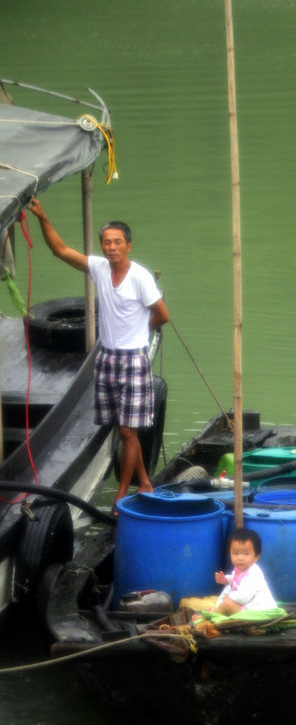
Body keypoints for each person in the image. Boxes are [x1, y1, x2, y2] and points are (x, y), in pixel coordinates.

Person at [28, 198, 170, 509]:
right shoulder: (99, 268)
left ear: (128, 246)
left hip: (133, 358)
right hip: (107, 356)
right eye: (106, 242)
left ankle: (121, 495)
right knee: (121, 428)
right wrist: (41, 215)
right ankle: (144, 482)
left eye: (117, 242)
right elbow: (61, 251)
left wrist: (140, 331)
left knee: (127, 431)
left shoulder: (140, 277)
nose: (111, 247)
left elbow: (162, 314)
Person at [215, 528, 277, 616]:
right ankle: (218, 610)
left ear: (256, 557)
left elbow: (244, 597)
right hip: (247, 607)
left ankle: (214, 613)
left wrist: (229, 596)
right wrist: (226, 579)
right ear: (230, 553)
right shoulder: (238, 569)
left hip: (260, 610)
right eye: (235, 553)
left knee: (227, 603)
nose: (240, 558)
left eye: (246, 554)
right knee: (227, 597)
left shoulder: (254, 573)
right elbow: (235, 580)